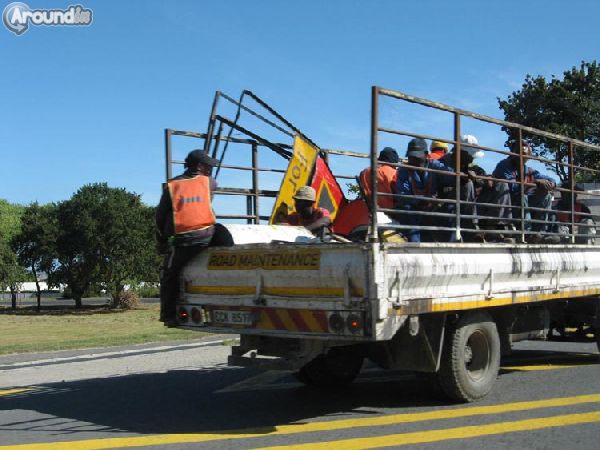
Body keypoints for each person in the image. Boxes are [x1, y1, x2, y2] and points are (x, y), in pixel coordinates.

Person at [156, 149, 219, 325]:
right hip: (209, 235)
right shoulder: (211, 183)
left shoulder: (172, 185)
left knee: (169, 275)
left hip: (185, 241)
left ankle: (168, 316)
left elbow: (160, 216)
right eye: (208, 165)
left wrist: (161, 241)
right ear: (199, 166)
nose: (210, 169)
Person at [491, 142, 556, 243]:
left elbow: (549, 178)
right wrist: (535, 182)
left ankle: (540, 232)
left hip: (523, 200)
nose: (522, 157)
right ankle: (527, 233)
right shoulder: (505, 165)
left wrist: (550, 184)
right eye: (519, 153)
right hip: (508, 200)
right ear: (513, 153)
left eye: (525, 155)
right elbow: (513, 187)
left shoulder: (528, 170)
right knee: (523, 196)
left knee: (546, 195)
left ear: (529, 157)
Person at [395, 138, 447, 242]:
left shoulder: (434, 165)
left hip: (432, 210)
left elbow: (450, 175)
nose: (413, 160)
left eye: (417, 157)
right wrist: (425, 199)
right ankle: (415, 245)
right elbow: (404, 196)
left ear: (426, 154)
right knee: (407, 212)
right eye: (411, 157)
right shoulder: (403, 171)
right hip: (413, 211)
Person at [358, 147, 399, 212]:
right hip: (388, 212)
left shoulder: (364, 172)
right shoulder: (392, 172)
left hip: (367, 211)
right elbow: (398, 192)